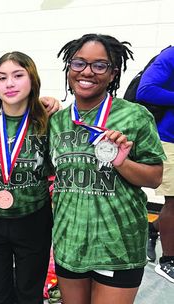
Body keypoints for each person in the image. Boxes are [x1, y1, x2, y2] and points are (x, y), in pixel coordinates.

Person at [50, 33, 165, 303]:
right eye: (79, 63)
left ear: (113, 74)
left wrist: (121, 162)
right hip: (70, 244)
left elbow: (155, 177)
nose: (87, 72)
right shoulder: (55, 122)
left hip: (118, 246)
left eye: (99, 65)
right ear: (69, 68)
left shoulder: (134, 116)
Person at [0, 51, 52, 304]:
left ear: (32, 81)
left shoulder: (48, 120)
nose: (9, 83)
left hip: (33, 218)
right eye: (2, 77)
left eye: (18, 76)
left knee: (30, 291)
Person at [136, 45, 174, 283]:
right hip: (170, 138)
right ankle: (168, 260)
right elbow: (146, 90)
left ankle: (154, 229)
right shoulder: (171, 55)